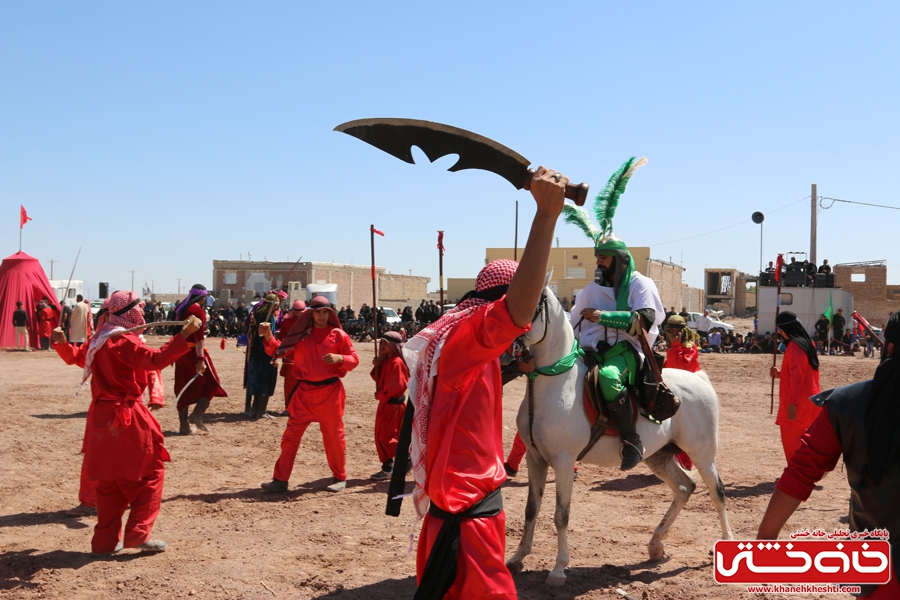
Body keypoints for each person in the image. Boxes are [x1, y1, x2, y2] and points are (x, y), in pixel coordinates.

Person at [396, 167, 564, 599]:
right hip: (467, 521)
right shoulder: (468, 338)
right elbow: (517, 312)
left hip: (461, 513)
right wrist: (546, 216)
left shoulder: (468, 349)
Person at [757, 312, 900, 598]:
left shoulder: (847, 404)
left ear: (890, 348)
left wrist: (766, 539)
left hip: (879, 570)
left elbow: (801, 472)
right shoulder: (805, 347)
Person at [52, 290, 201, 555]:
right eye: (138, 308)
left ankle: (104, 543)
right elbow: (155, 361)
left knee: (110, 482)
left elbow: (75, 357)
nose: (142, 313)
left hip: (101, 417)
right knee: (151, 474)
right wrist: (183, 336)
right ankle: (138, 534)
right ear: (130, 312)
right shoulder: (124, 341)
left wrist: (61, 343)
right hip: (127, 417)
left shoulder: (100, 339)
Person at [570, 244, 663, 469]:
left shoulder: (640, 284)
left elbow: (644, 320)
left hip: (627, 349)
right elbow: (574, 322)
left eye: (604, 257)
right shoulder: (591, 290)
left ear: (620, 260)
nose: (598, 262)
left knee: (609, 377)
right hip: (590, 348)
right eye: (597, 257)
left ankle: (631, 440)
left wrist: (602, 316)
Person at [259, 296, 359, 493]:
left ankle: (340, 477)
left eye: (325, 312)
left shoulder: (339, 335)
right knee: (290, 438)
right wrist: (268, 335)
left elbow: (354, 359)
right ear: (310, 313)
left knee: (334, 438)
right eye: (318, 312)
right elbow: (279, 351)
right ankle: (280, 479)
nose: (321, 316)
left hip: (330, 394)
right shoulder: (301, 335)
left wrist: (341, 358)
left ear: (330, 314)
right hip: (304, 394)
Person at [172, 284, 228, 434]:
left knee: (182, 386)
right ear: (203, 297)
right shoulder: (197, 311)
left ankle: (184, 426)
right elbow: (199, 338)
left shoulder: (180, 309)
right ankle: (197, 414)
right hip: (193, 352)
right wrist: (200, 358)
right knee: (212, 381)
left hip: (180, 351)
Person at [769, 311, 821, 464]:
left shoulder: (795, 348)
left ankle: (798, 473)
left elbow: (797, 378)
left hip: (797, 402)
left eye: (780, 330)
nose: (780, 333)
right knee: (806, 440)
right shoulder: (807, 343)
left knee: (793, 440)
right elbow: (801, 372)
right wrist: (780, 374)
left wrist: (792, 404)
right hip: (811, 398)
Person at [369, 331, 409, 479]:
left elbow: (397, 386)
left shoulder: (397, 362)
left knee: (387, 437)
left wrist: (381, 396)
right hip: (385, 404)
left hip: (393, 406)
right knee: (380, 436)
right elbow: (377, 378)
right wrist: (377, 365)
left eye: (386, 343)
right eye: (381, 343)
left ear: (394, 345)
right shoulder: (385, 360)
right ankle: (387, 468)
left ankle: (407, 458)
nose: (382, 346)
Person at [244, 294, 279, 419]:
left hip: (254, 353)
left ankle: (254, 410)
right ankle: (261, 411)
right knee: (265, 380)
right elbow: (268, 338)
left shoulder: (256, 315)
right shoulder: (269, 319)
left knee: (256, 381)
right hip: (265, 353)